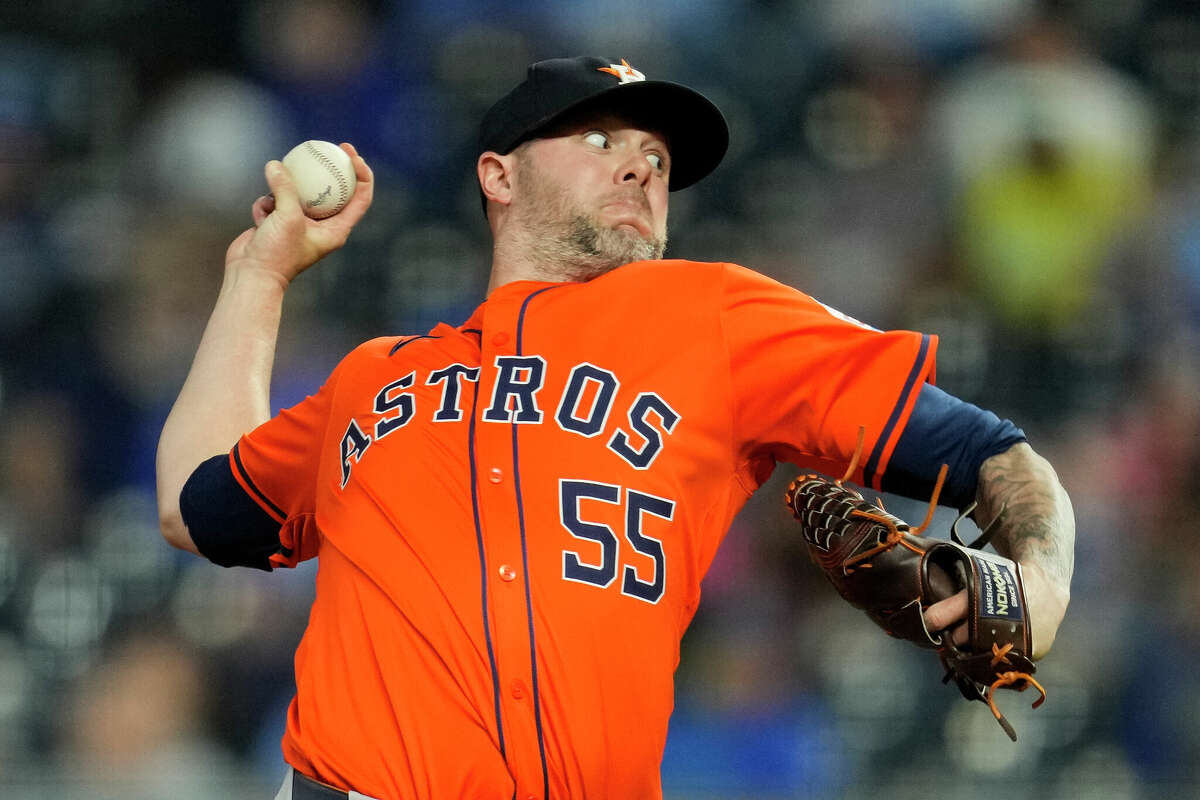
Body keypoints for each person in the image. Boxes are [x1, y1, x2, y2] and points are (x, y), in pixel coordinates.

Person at [156, 57, 1074, 800]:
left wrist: (1044, 576)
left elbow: (989, 451)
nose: (640, 165)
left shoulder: (714, 316)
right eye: (600, 138)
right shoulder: (376, 379)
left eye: (658, 158)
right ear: (498, 175)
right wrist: (258, 278)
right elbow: (195, 503)